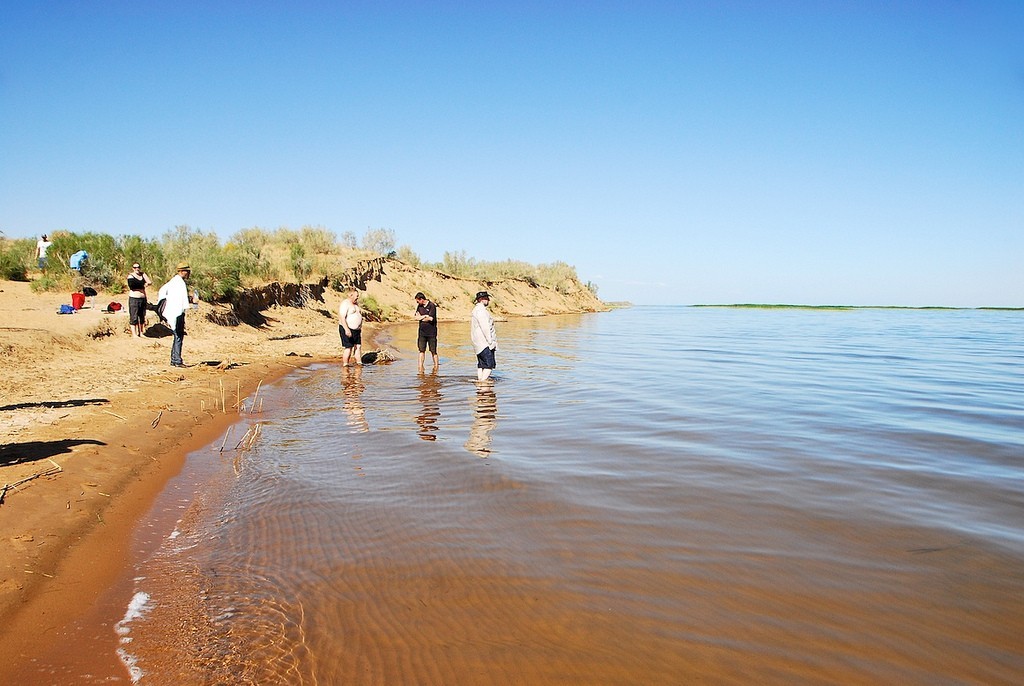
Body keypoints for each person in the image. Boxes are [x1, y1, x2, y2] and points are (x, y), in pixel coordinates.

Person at [158, 263, 193, 368]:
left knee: (177, 336)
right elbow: (179, 298)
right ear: (182, 271)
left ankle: (174, 359)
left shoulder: (174, 281)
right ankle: (176, 360)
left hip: (175, 311)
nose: (188, 273)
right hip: (177, 313)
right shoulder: (179, 283)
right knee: (178, 336)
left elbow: (163, 291)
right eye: (187, 271)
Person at [470, 291, 497, 382]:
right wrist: (490, 342)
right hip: (484, 342)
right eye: (486, 298)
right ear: (481, 299)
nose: (488, 300)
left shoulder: (475, 310)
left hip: (478, 342)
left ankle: (480, 381)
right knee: (489, 364)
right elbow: (485, 327)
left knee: (481, 364)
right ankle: (482, 382)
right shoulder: (481, 311)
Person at [413, 291, 439, 372]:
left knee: (433, 351)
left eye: (417, 300)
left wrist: (422, 318)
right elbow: (416, 317)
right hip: (422, 332)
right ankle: (420, 367)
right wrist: (424, 316)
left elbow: (431, 318)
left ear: (421, 299)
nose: (417, 302)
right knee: (421, 350)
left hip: (431, 332)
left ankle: (436, 367)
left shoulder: (432, 306)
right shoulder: (419, 306)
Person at [126, 263, 153, 337]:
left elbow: (149, 282)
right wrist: (142, 285)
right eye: (135, 267)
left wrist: (144, 284)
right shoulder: (130, 276)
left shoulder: (142, 274)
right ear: (133, 268)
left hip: (143, 298)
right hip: (134, 299)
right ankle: (134, 334)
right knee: (134, 316)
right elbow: (132, 286)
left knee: (142, 316)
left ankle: (141, 332)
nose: (137, 269)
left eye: (138, 267)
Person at [338, 289, 363, 367]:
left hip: (356, 330)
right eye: (356, 296)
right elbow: (342, 317)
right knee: (348, 347)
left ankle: (359, 363)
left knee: (358, 346)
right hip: (347, 328)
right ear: (351, 295)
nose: (357, 297)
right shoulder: (345, 304)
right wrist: (346, 329)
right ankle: (345, 364)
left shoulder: (355, 304)